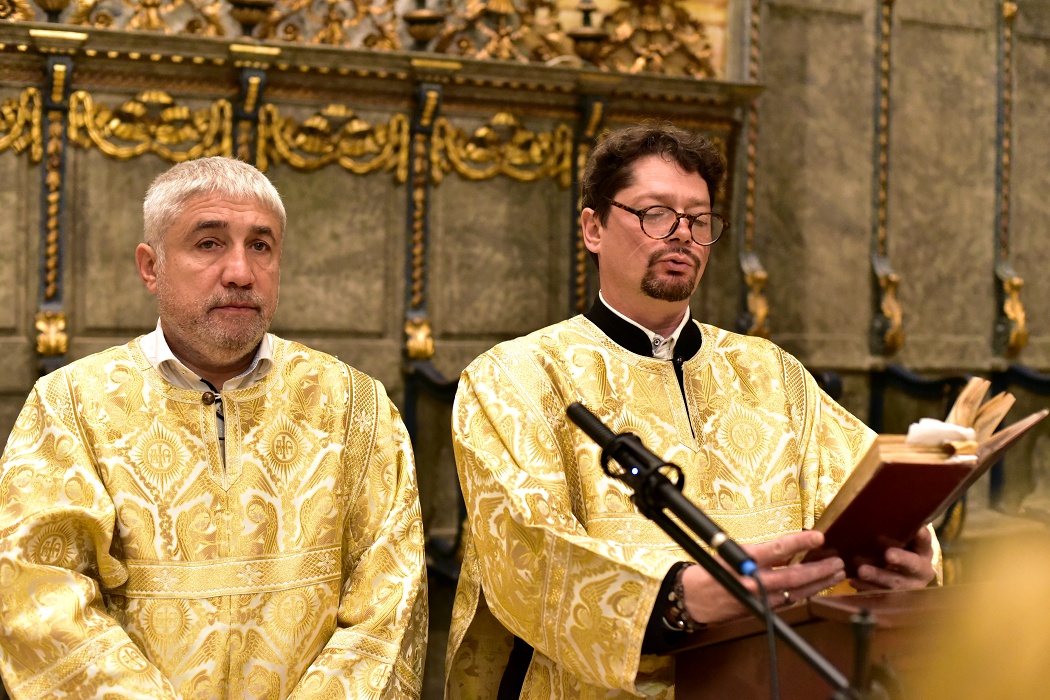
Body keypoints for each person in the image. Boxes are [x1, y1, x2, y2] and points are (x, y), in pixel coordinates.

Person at [444, 123, 938, 699]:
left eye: (699, 221)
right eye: (656, 213)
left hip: (781, 679)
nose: (682, 234)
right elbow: (527, 550)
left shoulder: (772, 371)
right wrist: (675, 598)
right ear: (593, 228)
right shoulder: (516, 377)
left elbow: (859, 487)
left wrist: (909, 559)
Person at [0, 157, 427, 699]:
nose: (241, 272)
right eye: (208, 243)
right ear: (151, 266)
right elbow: (38, 595)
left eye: (261, 246)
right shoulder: (69, 406)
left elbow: (389, 601)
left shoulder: (354, 405)